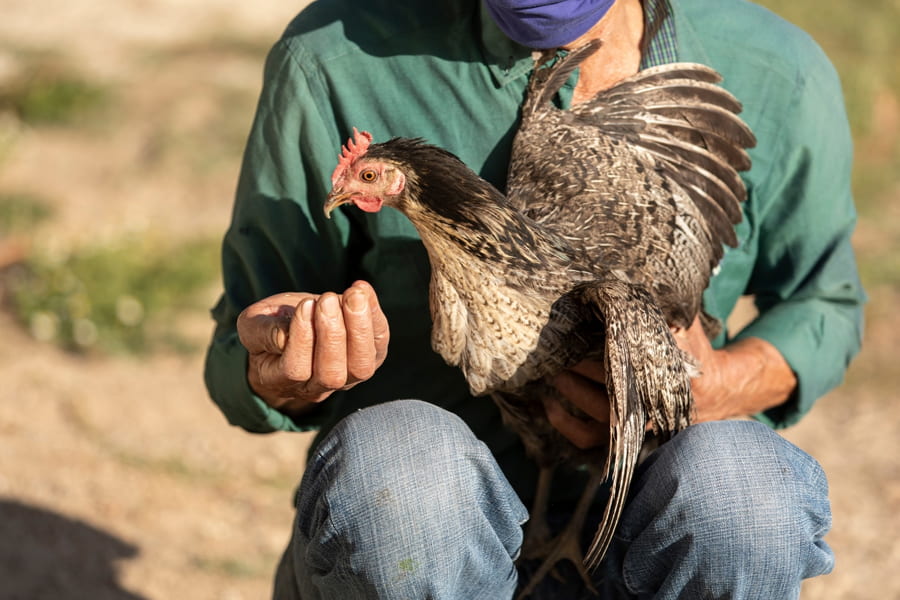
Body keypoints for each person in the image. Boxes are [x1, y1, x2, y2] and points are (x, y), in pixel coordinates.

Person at [204, 0, 864, 597]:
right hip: (423, 554)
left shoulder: (776, 68)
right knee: (402, 471)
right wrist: (285, 365)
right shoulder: (337, 56)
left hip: (654, 533)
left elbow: (826, 302)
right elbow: (241, 347)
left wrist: (712, 381)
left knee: (742, 491)